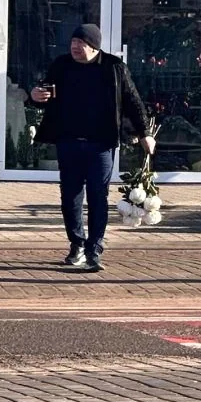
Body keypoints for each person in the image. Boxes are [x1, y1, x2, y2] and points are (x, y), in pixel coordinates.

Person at [32, 23, 154, 273]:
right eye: (73, 43)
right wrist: (34, 96)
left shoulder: (114, 67)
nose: (75, 48)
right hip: (68, 140)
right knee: (70, 196)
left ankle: (94, 248)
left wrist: (145, 134)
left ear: (94, 47)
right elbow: (44, 93)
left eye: (81, 44)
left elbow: (132, 101)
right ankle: (77, 243)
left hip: (102, 143)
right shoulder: (61, 65)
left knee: (98, 195)